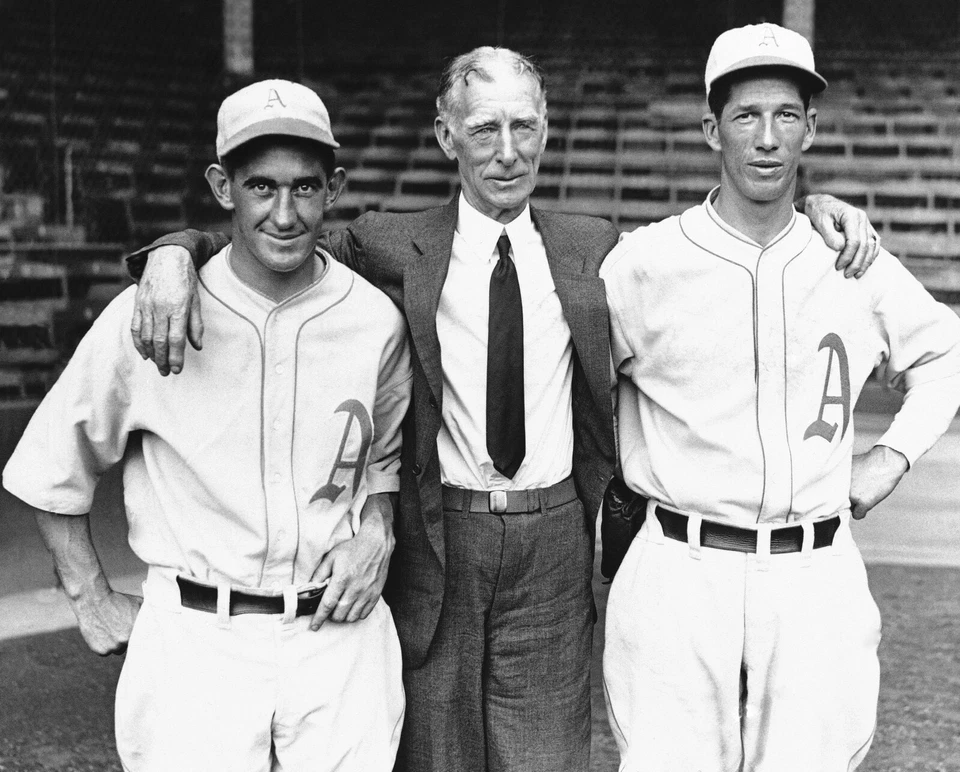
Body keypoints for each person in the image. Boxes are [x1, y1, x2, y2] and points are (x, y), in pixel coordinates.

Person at [125, 48, 878, 772]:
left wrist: (813, 204)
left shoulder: (595, 247)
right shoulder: (392, 243)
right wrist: (172, 251)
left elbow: (738, 222)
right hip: (439, 533)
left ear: (546, 129)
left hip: (551, 537)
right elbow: (274, 237)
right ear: (446, 135)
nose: (507, 152)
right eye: (485, 129)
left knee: (545, 756)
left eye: (524, 127)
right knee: (433, 752)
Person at [3, 79, 411, 771]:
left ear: (334, 187)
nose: (284, 213)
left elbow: (381, 457)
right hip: (198, 642)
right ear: (223, 186)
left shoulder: (375, 320)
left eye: (305, 188)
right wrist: (90, 597)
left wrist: (378, 526)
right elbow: (49, 468)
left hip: (338, 639)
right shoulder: (150, 314)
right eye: (260, 188)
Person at [600, 23, 960, 772]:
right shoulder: (644, 264)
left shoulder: (852, 259)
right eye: (745, 116)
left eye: (786, 115)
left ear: (810, 129)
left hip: (813, 569)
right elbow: (574, 389)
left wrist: (891, 455)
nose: (767, 138)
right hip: (678, 562)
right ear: (711, 129)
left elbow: (944, 352)